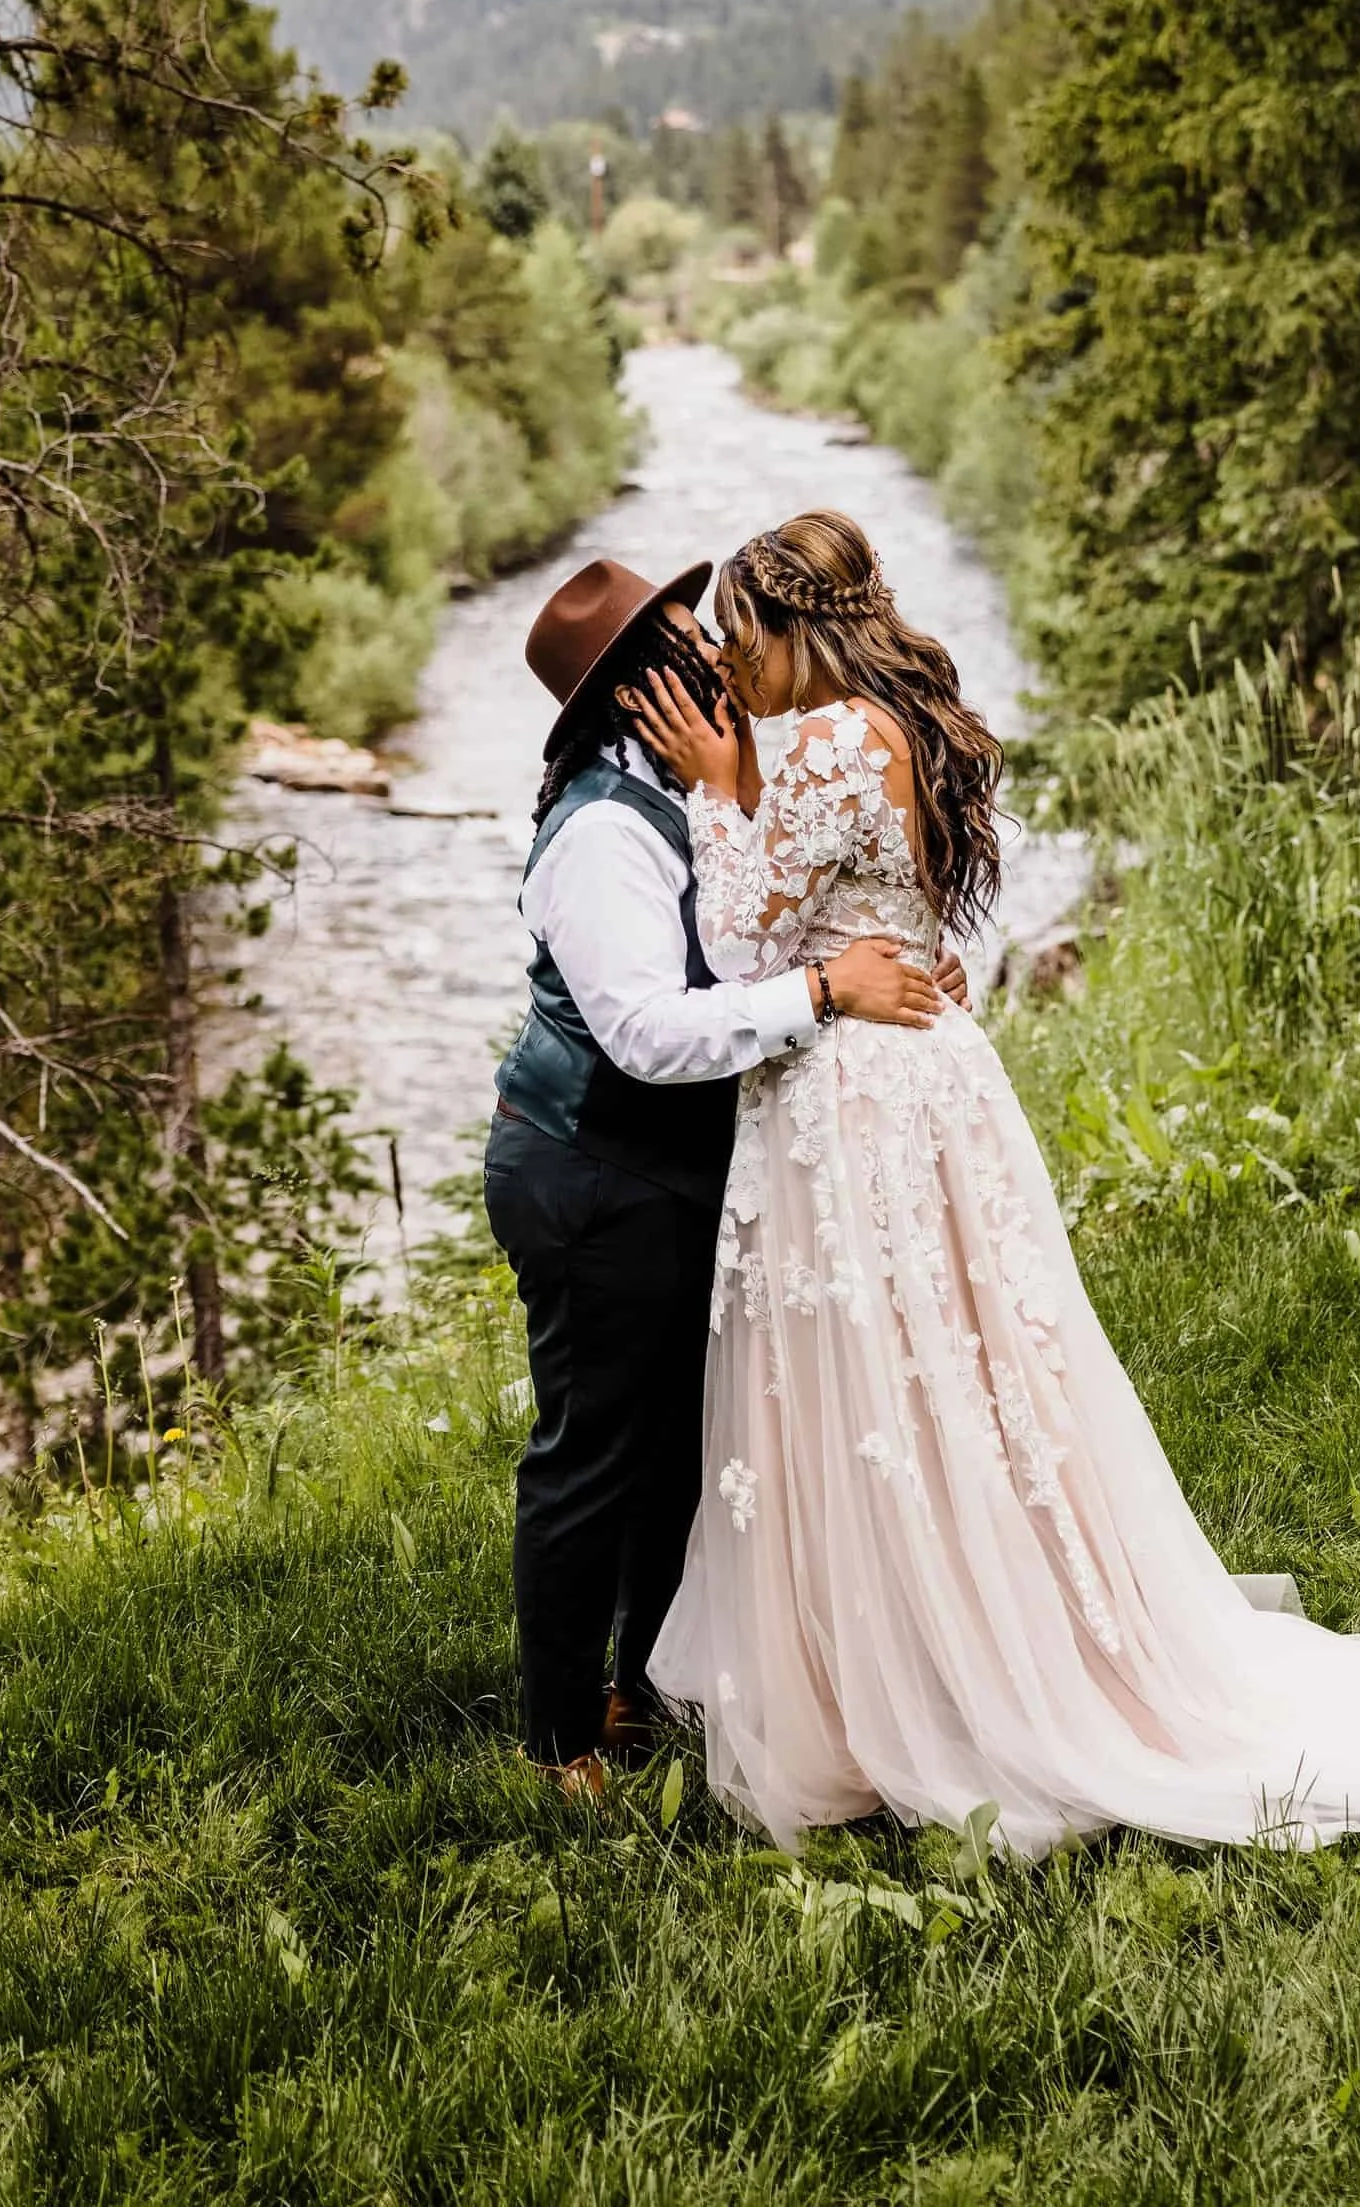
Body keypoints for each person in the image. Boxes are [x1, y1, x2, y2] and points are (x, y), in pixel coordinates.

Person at [627, 510, 1360, 1857]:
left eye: (734, 635)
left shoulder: (824, 739)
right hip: (928, 1075)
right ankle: (935, 1656)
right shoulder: (908, 723)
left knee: (884, 1377)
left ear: (787, 626)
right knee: (955, 1376)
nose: (725, 667)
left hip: (858, 1098)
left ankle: (924, 1687)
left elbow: (738, 938)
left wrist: (719, 786)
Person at [485, 552, 959, 1795]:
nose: (718, 652)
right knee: (593, 1450)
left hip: (683, 1164)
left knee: (683, 1447)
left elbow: (814, 902)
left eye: (713, 636)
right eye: (690, 644)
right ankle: (558, 1742)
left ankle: (647, 1689)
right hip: (590, 1167)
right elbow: (645, 1031)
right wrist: (821, 990)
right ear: (644, 691)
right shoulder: (599, 831)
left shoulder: (707, 784)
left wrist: (892, 964)